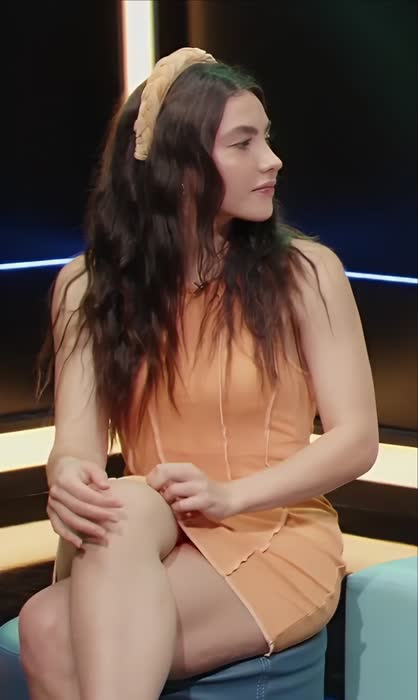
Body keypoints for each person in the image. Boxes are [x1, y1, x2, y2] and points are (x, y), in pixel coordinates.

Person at [18, 47, 379, 700]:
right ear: (178, 167)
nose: (272, 160)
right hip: (150, 527)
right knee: (122, 503)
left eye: (266, 138)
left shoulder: (306, 273)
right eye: (243, 143)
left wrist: (229, 497)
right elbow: (76, 445)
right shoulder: (86, 286)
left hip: (271, 528)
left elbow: (357, 441)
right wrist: (68, 477)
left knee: (47, 627)